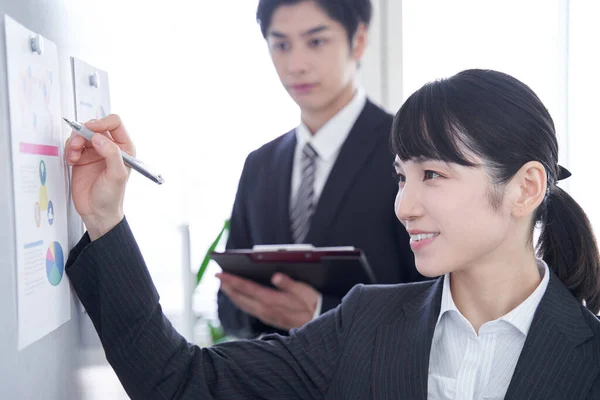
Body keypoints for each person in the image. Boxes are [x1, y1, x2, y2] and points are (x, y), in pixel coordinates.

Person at [65, 69, 600, 400]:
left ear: (526, 188)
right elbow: (180, 383)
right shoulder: (365, 324)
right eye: (401, 177)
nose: (404, 205)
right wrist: (105, 219)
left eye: (432, 175)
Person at [217, 0, 422, 338]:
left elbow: (432, 296)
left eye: (316, 42)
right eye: (281, 45)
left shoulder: (408, 150)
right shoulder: (259, 164)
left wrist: (319, 313)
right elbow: (227, 304)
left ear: (358, 41)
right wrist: (271, 310)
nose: (296, 65)